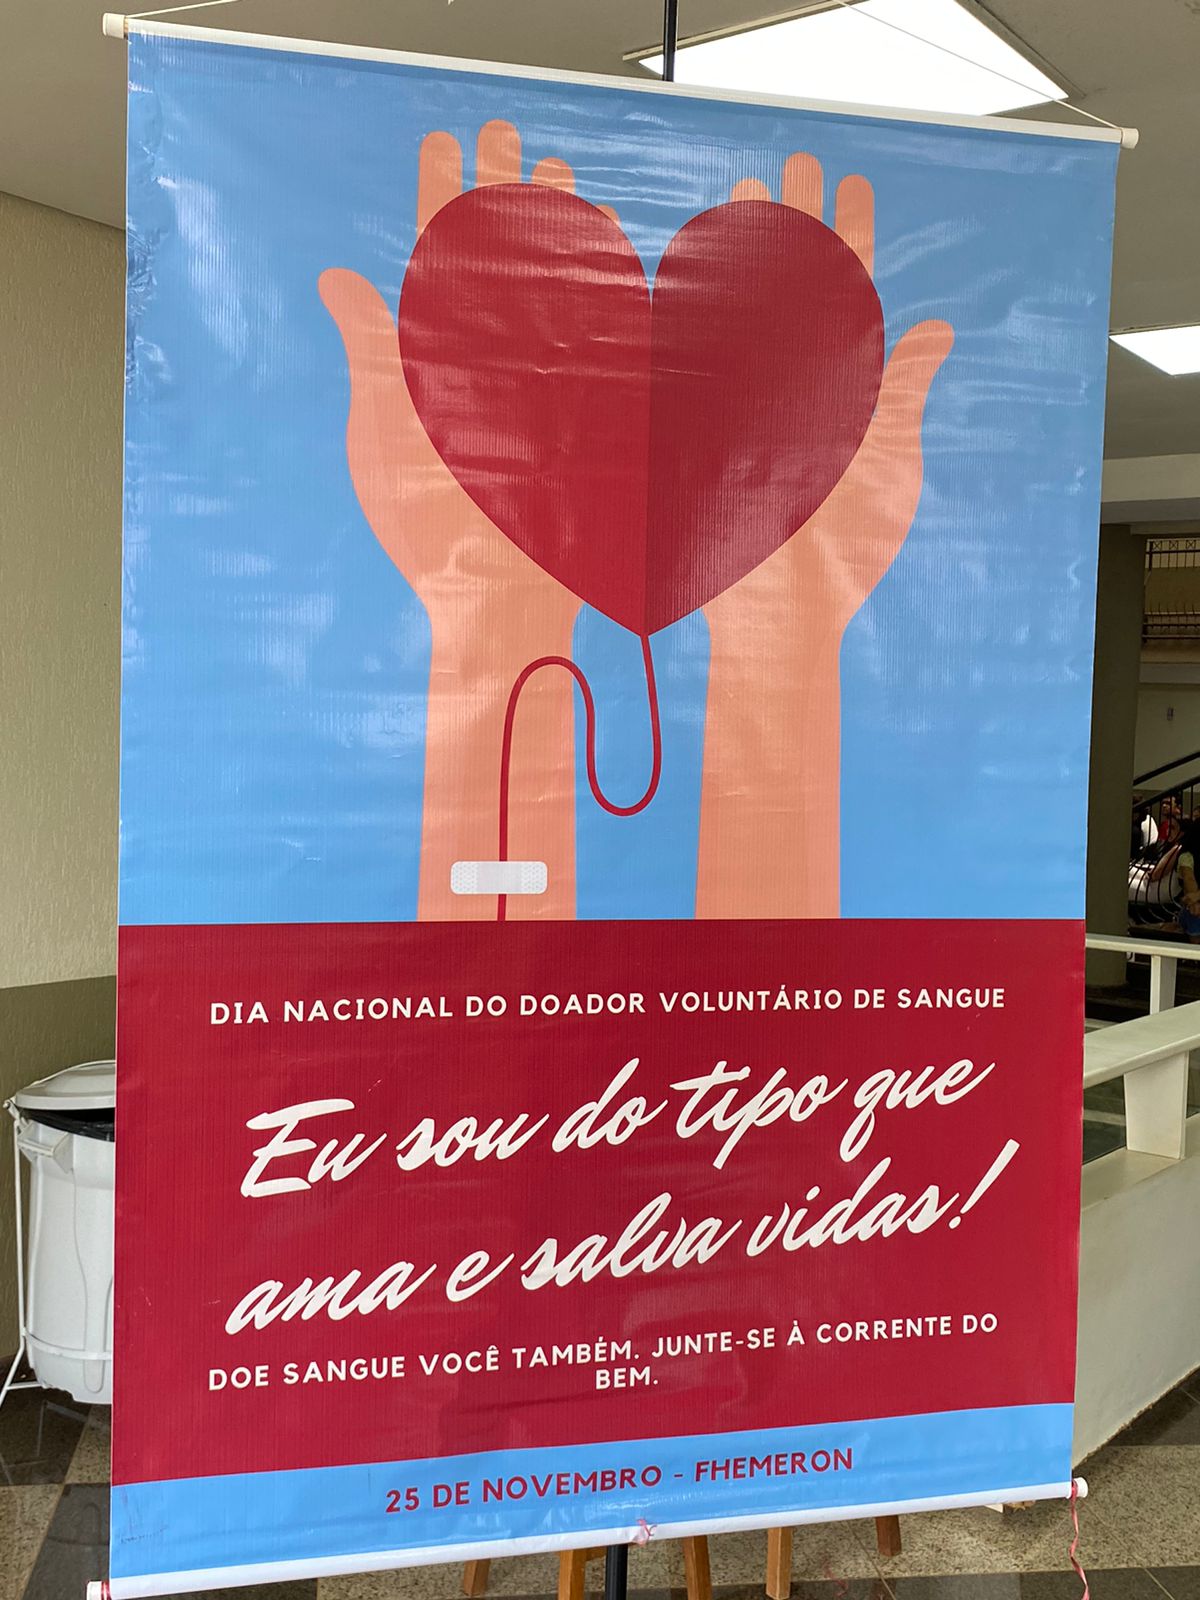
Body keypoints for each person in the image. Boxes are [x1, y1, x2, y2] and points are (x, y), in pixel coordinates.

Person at [1176, 819, 1200, 941]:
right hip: (1192, 909)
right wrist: (1195, 900)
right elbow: (1189, 882)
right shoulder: (1186, 857)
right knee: (1194, 914)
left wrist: (1197, 896)